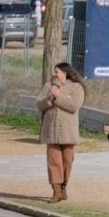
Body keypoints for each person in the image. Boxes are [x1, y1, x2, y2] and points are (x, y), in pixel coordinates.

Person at [36, 62, 85, 203]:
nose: (54, 74)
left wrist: (58, 96)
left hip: (68, 132)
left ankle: (64, 188)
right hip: (51, 131)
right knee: (53, 161)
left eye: (57, 71)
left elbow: (73, 106)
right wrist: (49, 99)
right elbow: (39, 104)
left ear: (65, 73)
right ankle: (56, 191)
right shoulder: (48, 86)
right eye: (54, 71)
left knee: (67, 161)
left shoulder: (76, 87)